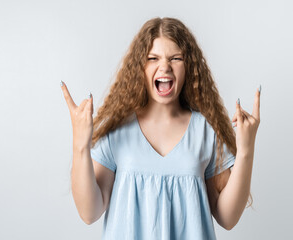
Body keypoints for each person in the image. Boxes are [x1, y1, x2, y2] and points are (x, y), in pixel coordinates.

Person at [61, 17, 260, 239]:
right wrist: (80, 143)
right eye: (152, 58)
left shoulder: (205, 131)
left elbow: (227, 218)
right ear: (140, 67)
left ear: (189, 67)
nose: (164, 66)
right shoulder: (116, 130)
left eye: (175, 58)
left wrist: (245, 151)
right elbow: (89, 213)